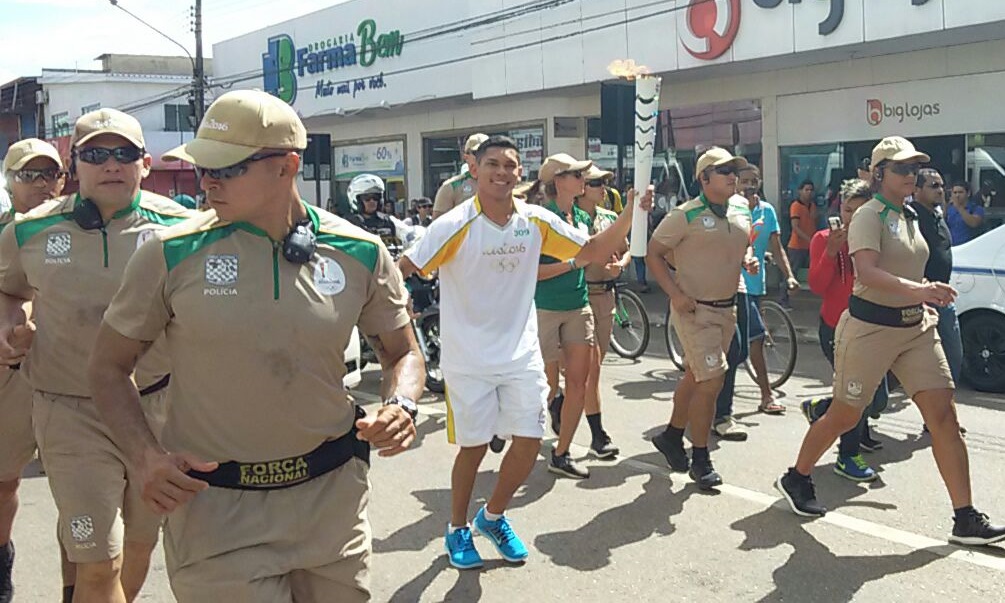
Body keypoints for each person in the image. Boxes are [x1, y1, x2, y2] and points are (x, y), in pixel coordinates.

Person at [89, 90, 423, 602]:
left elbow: (402, 351)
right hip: (217, 510)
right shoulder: (169, 253)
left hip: (330, 503)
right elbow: (108, 368)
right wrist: (144, 458)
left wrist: (401, 403)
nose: (209, 181)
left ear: (286, 167)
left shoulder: (359, 250)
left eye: (228, 168)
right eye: (205, 168)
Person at [399, 135, 649, 570]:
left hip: (521, 353)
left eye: (510, 165)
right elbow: (405, 266)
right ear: (475, 169)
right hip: (469, 358)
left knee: (530, 441)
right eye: (492, 164)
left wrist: (631, 212)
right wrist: (397, 304)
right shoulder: (453, 224)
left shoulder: (534, 220)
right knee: (474, 449)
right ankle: (457, 527)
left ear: (520, 174)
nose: (501, 172)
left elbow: (590, 251)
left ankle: (491, 515)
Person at [0, 110, 195, 603]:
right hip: (70, 413)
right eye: (96, 154)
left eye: (124, 153)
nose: (111, 164)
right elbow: (4, 291)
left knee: (139, 548)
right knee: (96, 561)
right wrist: (8, 326)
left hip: (157, 408)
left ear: (145, 163)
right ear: (75, 166)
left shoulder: (185, 230)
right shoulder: (28, 232)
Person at [775, 136, 1005, 547]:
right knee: (846, 415)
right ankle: (797, 477)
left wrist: (923, 298)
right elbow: (867, 273)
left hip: (915, 327)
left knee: (945, 417)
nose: (911, 174)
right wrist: (920, 291)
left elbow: (909, 268)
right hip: (870, 327)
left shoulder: (911, 214)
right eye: (902, 168)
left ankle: (965, 517)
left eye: (914, 168)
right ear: (879, 173)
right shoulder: (869, 215)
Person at [646, 147, 757, 490]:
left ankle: (671, 435)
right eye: (723, 171)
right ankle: (701, 457)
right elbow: (654, 252)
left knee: (697, 376)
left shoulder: (740, 209)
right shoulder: (685, 215)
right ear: (703, 178)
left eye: (734, 171)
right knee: (712, 381)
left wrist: (748, 259)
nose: (732, 177)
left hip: (728, 308)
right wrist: (675, 294)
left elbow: (743, 244)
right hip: (696, 310)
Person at [0, 138, 76, 603]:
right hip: (10, 373)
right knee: (5, 481)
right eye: (29, 175)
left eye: (50, 175)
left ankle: (78, 587)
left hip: (69, 375)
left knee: (77, 492)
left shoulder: (82, 229)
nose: (42, 185)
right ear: (9, 183)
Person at [803, 178, 887, 482]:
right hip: (836, 328)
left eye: (861, 211)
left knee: (877, 400)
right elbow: (816, 286)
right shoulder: (824, 238)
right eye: (848, 210)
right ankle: (847, 455)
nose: (853, 217)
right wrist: (830, 252)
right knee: (857, 395)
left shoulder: (878, 241)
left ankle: (823, 407)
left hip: (876, 327)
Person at [712, 165, 800, 441]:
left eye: (754, 181)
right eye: (744, 181)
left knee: (744, 345)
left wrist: (790, 276)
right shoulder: (730, 209)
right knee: (753, 340)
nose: (749, 186)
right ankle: (757, 397)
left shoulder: (767, 211)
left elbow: (776, 246)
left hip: (755, 285)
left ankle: (723, 401)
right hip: (732, 287)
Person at [528, 153, 600, 479]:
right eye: (576, 174)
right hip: (543, 308)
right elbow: (531, 273)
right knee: (543, 385)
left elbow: (591, 258)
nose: (584, 179)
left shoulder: (582, 219)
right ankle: (509, 429)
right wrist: (573, 264)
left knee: (578, 384)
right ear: (558, 181)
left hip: (578, 306)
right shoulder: (541, 220)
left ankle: (561, 452)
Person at [577, 165, 628, 459]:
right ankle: (598, 434)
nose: (603, 189)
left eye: (606, 183)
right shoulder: (570, 220)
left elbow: (627, 249)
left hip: (605, 298)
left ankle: (563, 402)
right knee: (589, 370)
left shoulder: (611, 218)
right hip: (577, 298)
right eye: (597, 183)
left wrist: (620, 266)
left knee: (593, 366)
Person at [432, 133, 489, 219]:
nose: (482, 156)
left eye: (487, 152)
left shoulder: (503, 183)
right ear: (466, 157)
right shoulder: (451, 187)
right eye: (476, 153)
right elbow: (438, 226)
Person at [781, 179, 818, 309]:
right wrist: (809, 239)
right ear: (800, 191)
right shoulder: (796, 206)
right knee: (792, 272)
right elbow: (795, 227)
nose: (809, 193)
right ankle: (783, 300)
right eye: (806, 190)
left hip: (810, 245)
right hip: (796, 246)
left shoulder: (812, 205)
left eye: (811, 190)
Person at [346, 173, 400, 251]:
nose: (372, 201)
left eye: (376, 197)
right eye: (367, 198)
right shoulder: (350, 223)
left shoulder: (386, 221)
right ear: (358, 200)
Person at [946, 181, 984, 245]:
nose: (957, 195)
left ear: (968, 193)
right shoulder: (949, 208)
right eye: (955, 193)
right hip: (952, 246)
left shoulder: (976, 208)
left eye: (960, 192)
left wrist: (959, 207)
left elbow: (974, 223)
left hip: (969, 245)